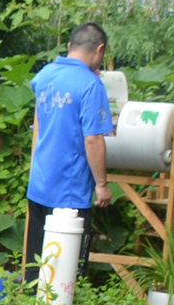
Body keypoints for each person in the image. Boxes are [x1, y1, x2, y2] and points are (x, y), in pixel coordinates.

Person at [23, 22, 115, 272]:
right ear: (100, 49)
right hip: (70, 192)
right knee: (68, 270)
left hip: (39, 185)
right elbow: (93, 139)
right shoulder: (91, 85)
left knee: (37, 264)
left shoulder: (44, 75)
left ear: (69, 47)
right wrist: (102, 185)